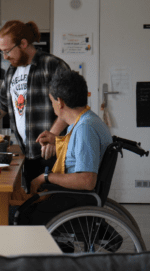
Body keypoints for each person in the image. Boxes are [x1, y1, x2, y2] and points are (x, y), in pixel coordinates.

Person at [0, 20, 70, 191]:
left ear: (23, 43)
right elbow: (1, 105)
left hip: (52, 152)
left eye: (7, 51)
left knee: (51, 204)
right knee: (33, 201)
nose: (5, 57)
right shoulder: (12, 71)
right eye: (2, 52)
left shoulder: (51, 65)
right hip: (28, 152)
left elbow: (68, 105)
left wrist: (53, 136)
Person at [18, 70, 113, 225]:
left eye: (52, 101)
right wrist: (56, 141)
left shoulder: (85, 129)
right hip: (74, 197)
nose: (52, 106)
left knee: (14, 215)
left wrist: (45, 177)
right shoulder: (87, 121)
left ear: (60, 102)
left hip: (73, 200)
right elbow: (79, 155)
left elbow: (86, 180)